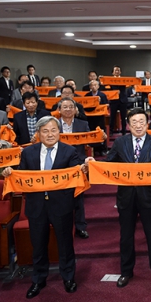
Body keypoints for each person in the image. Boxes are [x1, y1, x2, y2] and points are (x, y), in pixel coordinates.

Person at [2, 116, 86, 299]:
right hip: (36, 206)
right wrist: (10, 173)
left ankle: (68, 278)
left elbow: (75, 175)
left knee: (65, 245)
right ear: (38, 134)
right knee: (38, 245)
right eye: (45, 131)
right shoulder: (28, 153)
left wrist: (82, 169)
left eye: (53, 130)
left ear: (59, 132)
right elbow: (22, 177)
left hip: (61, 206)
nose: (50, 134)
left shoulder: (69, 151)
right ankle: (38, 279)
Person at [97, 108, 151, 288]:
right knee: (126, 236)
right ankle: (126, 272)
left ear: (147, 123)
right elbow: (109, 163)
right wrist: (94, 164)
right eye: (134, 122)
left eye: (141, 121)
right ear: (128, 124)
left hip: (149, 196)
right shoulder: (120, 142)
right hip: (126, 196)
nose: (138, 125)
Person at [57, 98, 92, 239]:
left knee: (78, 196)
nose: (68, 109)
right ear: (59, 110)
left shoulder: (83, 124)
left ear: (75, 109)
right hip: (58, 165)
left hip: (78, 164)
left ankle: (80, 226)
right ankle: (63, 226)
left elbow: (91, 142)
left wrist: (100, 137)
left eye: (71, 107)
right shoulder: (53, 125)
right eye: (64, 107)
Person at [109, 65, 129, 134]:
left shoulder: (123, 79)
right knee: (112, 116)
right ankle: (111, 130)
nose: (117, 72)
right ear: (113, 73)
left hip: (123, 100)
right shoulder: (109, 80)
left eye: (118, 70)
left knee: (123, 117)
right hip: (114, 100)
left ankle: (124, 130)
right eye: (115, 70)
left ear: (120, 72)